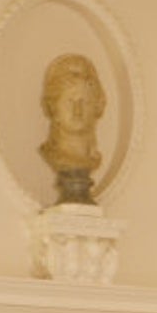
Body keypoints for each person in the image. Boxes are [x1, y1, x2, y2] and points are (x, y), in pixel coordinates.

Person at [37, 53, 106, 205]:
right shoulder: (55, 155)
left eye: (84, 101)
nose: (77, 110)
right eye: (70, 101)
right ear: (54, 107)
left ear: (97, 106)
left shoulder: (91, 158)